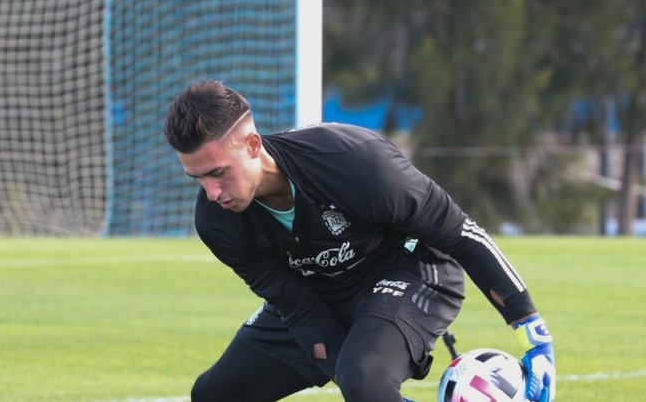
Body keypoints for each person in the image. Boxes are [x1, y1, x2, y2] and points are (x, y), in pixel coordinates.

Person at [163, 80, 555, 402]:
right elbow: (296, 307)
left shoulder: (353, 160)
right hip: (318, 293)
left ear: (252, 145)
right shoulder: (216, 223)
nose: (211, 192)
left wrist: (532, 333)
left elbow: (459, 232)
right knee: (214, 395)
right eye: (197, 178)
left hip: (409, 269)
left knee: (364, 376)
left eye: (217, 173)